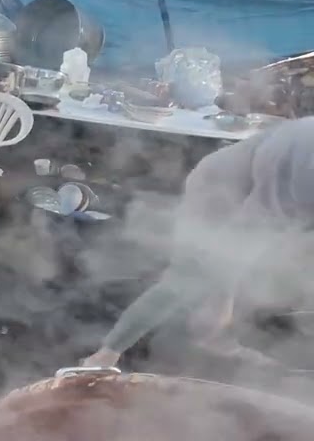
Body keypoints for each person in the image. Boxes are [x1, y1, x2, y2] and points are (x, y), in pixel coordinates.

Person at [80, 117, 314, 369]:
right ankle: (105, 355)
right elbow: (241, 241)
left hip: (273, 201)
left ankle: (219, 334)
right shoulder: (302, 173)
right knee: (190, 278)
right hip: (221, 190)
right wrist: (223, 298)